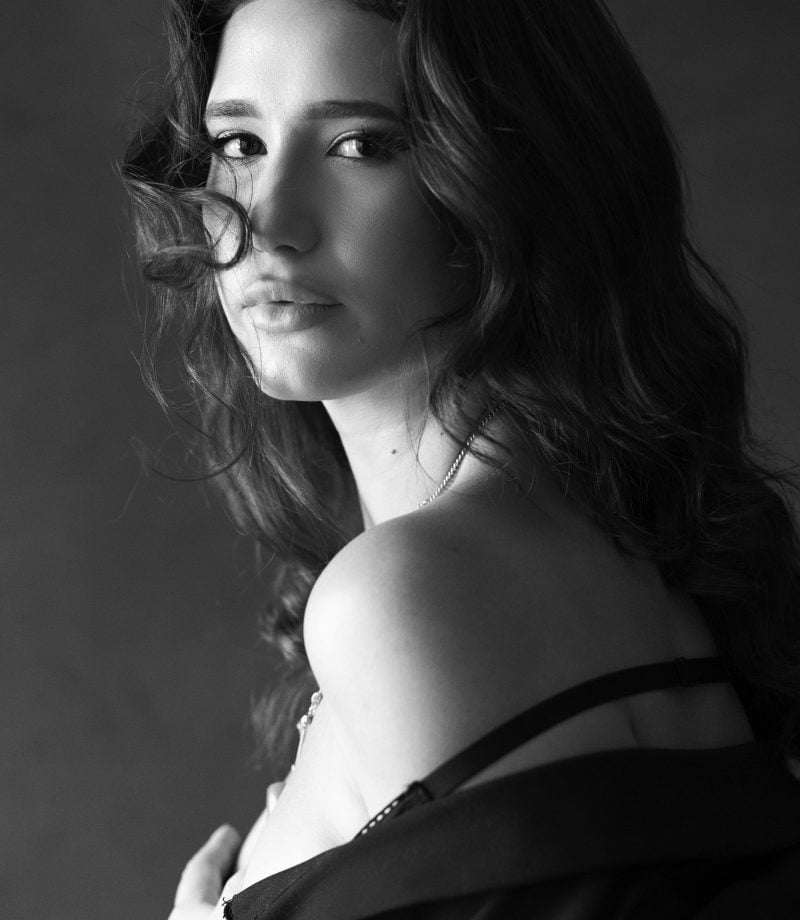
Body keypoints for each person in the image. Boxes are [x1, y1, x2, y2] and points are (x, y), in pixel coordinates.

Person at [122, 0, 800, 917]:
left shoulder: (412, 591)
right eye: (238, 144)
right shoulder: (636, 573)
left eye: (361, 144)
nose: (269, 222)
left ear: (507, 181)